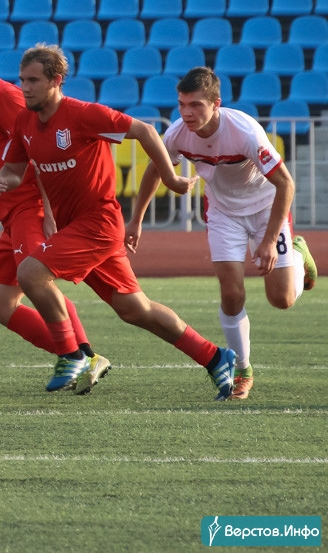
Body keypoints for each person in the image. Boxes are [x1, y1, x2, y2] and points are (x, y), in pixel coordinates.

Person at [0, 44, 238, 401]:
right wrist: (3, 181)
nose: (25, 88)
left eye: (33, 81)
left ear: (56, 80)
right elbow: (14, 170)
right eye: (22, 80)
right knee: (135, 309)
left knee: (30, 272)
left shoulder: (83, 114)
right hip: (77, 228)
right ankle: (214, 357)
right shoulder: (25, 121)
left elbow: (145, 131)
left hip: (99, 224)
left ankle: (73, 355)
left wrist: (170, 177)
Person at [125, 67, 318, 400]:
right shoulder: (177, 134)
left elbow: (286, 184)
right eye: (181, 104)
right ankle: (242, 369)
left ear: (216, 103)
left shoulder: (244, 132)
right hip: (223, 213)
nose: (187, 113)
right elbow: (155, 170)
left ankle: (298, 254)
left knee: (282, 299)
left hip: (265, 210)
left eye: (195, 105)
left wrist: (269, 241)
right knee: (231, 293)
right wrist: (136, 220)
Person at [0, 25, 110, 394]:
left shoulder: (5, 97)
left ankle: (79, 356)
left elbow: (39, 152)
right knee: (0, 304)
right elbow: (4, 167)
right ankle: (84, 357)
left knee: (37, 281)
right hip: (10, 213)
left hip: (29, 208)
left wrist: (49, 214)